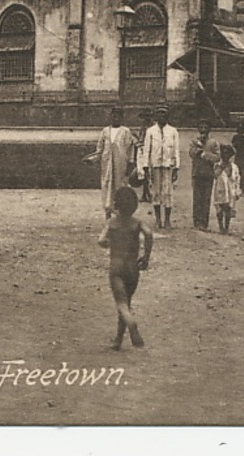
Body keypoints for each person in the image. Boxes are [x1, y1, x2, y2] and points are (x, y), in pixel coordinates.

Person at [98, 185, 153, 350]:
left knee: (121, 303)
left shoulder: (112, 223)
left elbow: (101, 240)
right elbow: (149, 234)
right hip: (132, 267)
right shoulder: (137, 223)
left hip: (116, 266)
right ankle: (118, 340)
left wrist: (110, 243)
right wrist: (146, 256)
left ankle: (131, 323)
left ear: (116, 204)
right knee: (126, 300)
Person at [85, 107, 135, 219]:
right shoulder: (105, 131)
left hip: (120, 165)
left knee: (120, 187)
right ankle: (108, 212)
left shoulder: (126, 131)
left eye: (118, 116)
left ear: (121, 118)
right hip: (107, 165)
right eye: (113, 116)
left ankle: (121, 213)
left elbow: (130, 149)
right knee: (107, 186)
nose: (115, 118)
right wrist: (91, 159)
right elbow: (100, 150)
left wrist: (130, 163)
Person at [143, 104, 180, 229]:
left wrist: (176, 167)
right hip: (155, 165)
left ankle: (167, 219)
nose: (161, 116)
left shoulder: (173, 131)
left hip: (168, 165)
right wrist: (145, 166)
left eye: (164, 114)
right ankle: (158, 219)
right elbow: (147, 149)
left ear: (168, 116)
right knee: (156, 192)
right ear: (156, 116)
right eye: (159, 114)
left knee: (167, 192)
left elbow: (176, 150)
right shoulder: (151, 131)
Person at [189, 119, 220, 230]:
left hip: (208, 174)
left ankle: (204, 221)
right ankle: (197, 221)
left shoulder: (213, 142)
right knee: (197, 198)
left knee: (206, 198)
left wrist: (206, 155)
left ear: (209, 129)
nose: (203, 130)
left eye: (205, 127)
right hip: (197, 173)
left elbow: (217, 157)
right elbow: (191, 154)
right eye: (201, 127)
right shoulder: (194, 141)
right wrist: (198, 149)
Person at [214, 144, 240, 234]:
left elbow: (237, 179)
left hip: (231, 190)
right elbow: (215, 175)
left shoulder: (234, 167)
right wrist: (221, 168)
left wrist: (237, 191)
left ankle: (227, 227)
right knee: (220, 208)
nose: (226, 157)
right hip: (220, 189)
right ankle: (221, 226)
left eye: (228, 155)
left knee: (228, 208)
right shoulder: (218, 166)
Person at [133, 108, 154, 202]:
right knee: (142, 172)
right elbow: (141, 139)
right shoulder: (143, 126)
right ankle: (145, 193)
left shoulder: (153, 127)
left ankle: (149, 193)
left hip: (149, 150)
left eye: (148, 117)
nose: (146, 119)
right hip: (141, 149)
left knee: (148, 171)